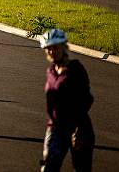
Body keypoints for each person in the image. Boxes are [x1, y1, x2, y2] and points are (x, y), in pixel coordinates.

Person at [39, 29, 94, 172]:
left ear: (64, 47)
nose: (52, 51)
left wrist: (79, 129)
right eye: (48, 49)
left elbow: (87, 99)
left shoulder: (75, 69)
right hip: (56, 127)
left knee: (82, 168)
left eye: (55, 47)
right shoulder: (51, 71)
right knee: (49, 165)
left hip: (78, 127)